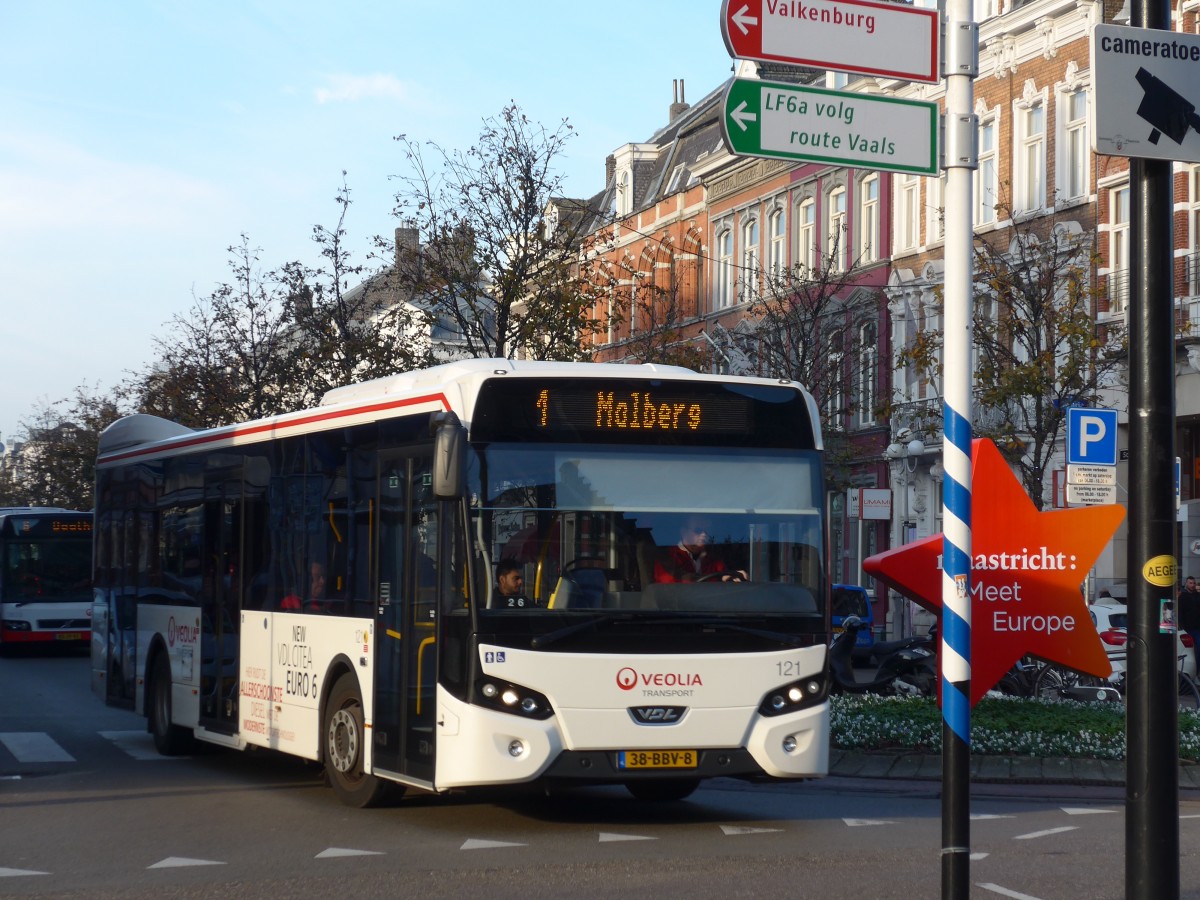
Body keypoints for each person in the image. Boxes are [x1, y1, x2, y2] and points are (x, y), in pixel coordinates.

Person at [653, 518, 746, 583]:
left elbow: (723, 575)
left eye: (707, 530)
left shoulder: (714, 557)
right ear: (684, 532)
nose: (704, 534)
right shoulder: (668, 557)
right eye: (698, 530)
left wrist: (731, 577)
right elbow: (670, 587)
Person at [1179, 576, 1200, 663]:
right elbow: (1180, 613)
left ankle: (1198, 670)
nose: (1192, 585)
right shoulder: (1182, 597)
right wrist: (1183, 628)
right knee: (1189, 651)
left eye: (1194, 583)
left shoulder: (1198, 596)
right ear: (1186, 584)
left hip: (1197, 628)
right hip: (1187, 629)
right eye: (1190, 583)